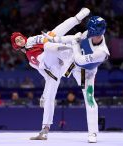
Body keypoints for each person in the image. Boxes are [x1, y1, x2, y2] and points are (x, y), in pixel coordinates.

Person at [10, 8, 90, 140]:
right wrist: (44, 94)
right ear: (16, 46)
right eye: (17, 41)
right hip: (52, 71)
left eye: (20, 38)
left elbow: (47, 37)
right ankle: (45, 130)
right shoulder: (31, 61)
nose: (20, 41)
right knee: (48, 99)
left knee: (52, 34)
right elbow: (46, 75)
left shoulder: (30, 40)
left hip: (60, 56)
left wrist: (54, 39)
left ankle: (77, 22)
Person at [47, 16, 110, 143]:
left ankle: (92, 133)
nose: (93, 37)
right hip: (72, 62)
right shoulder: (89, 32)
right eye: (92, 34)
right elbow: (73, 38)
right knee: (48, 47)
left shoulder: (102, 52)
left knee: (90, 100)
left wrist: (75, 43)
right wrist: (55, 38)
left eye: (96, 35)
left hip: (86, 74)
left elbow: (80, 59)